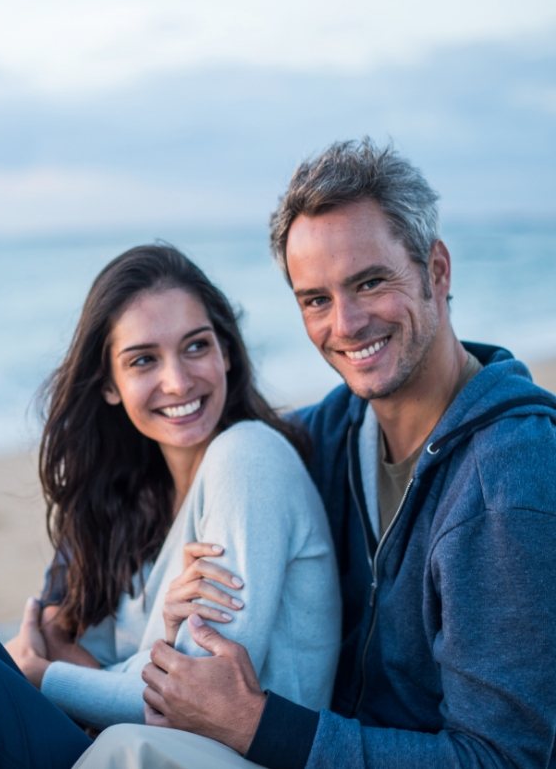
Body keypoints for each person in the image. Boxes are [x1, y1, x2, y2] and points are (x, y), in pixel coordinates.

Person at [83, 139, 556, 768]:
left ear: (436, 271)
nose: (347, 323)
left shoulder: (509, 477)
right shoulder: (335, 432)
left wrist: (261, 727)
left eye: (370, 282)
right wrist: (146, 599)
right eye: (316, 300)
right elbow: (189, 444)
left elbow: (503, 759)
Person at [0, 244, 341, 769]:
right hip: (141, 745)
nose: (178, 381)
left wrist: (46, 675)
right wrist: (137, 645)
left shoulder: (248, 457)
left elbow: (193, 696)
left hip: (216, 759)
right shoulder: (138, 500)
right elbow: (94, 648)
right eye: (143, 360)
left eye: (196, 347)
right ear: (110, 385)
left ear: (227, 352)